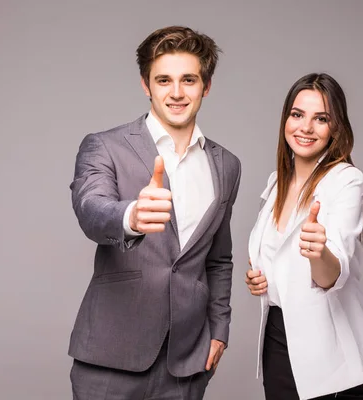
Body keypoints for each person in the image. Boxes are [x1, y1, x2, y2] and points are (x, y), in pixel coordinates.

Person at [68, 26, 241, 399]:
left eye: (188, 80)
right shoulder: (105, 146)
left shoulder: (227, 164)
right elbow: (90, 208)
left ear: (205, 86)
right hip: (111, 357)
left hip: (187, 362)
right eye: (164, 80)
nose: (176, 93)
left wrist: (219, 329)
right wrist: (130, 217)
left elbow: (219, 259)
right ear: (146, 85)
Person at [245, 73, 363, 400]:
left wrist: (319, 253)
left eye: (321, 118)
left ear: (336, 128)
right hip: (279, 337)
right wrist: (259, 279)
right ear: (285, 119)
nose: (305, 127)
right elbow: (275, 258)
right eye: (297, 115)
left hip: (332, 352)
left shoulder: (346, 180)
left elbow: (331, 277)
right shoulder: (277, 182)